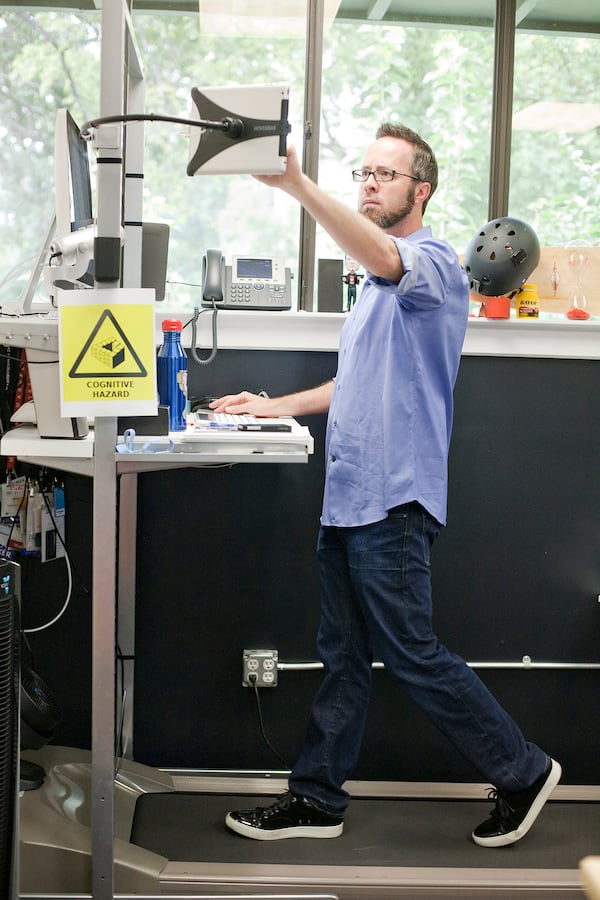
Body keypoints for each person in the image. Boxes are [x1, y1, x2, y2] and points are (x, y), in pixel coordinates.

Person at [212, 123, 561, 847]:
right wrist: (273, 405)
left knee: (411, 652)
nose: (369, 183)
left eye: (385, 175)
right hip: (350, 496)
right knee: (342, 656)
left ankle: (522, 770)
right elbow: (355, 383)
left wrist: (298, 187)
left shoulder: (430, 263)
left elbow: (382, 253)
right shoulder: (374, 290)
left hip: (394, 499)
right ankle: (316, 798)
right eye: (363, 172)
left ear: (420, 190)